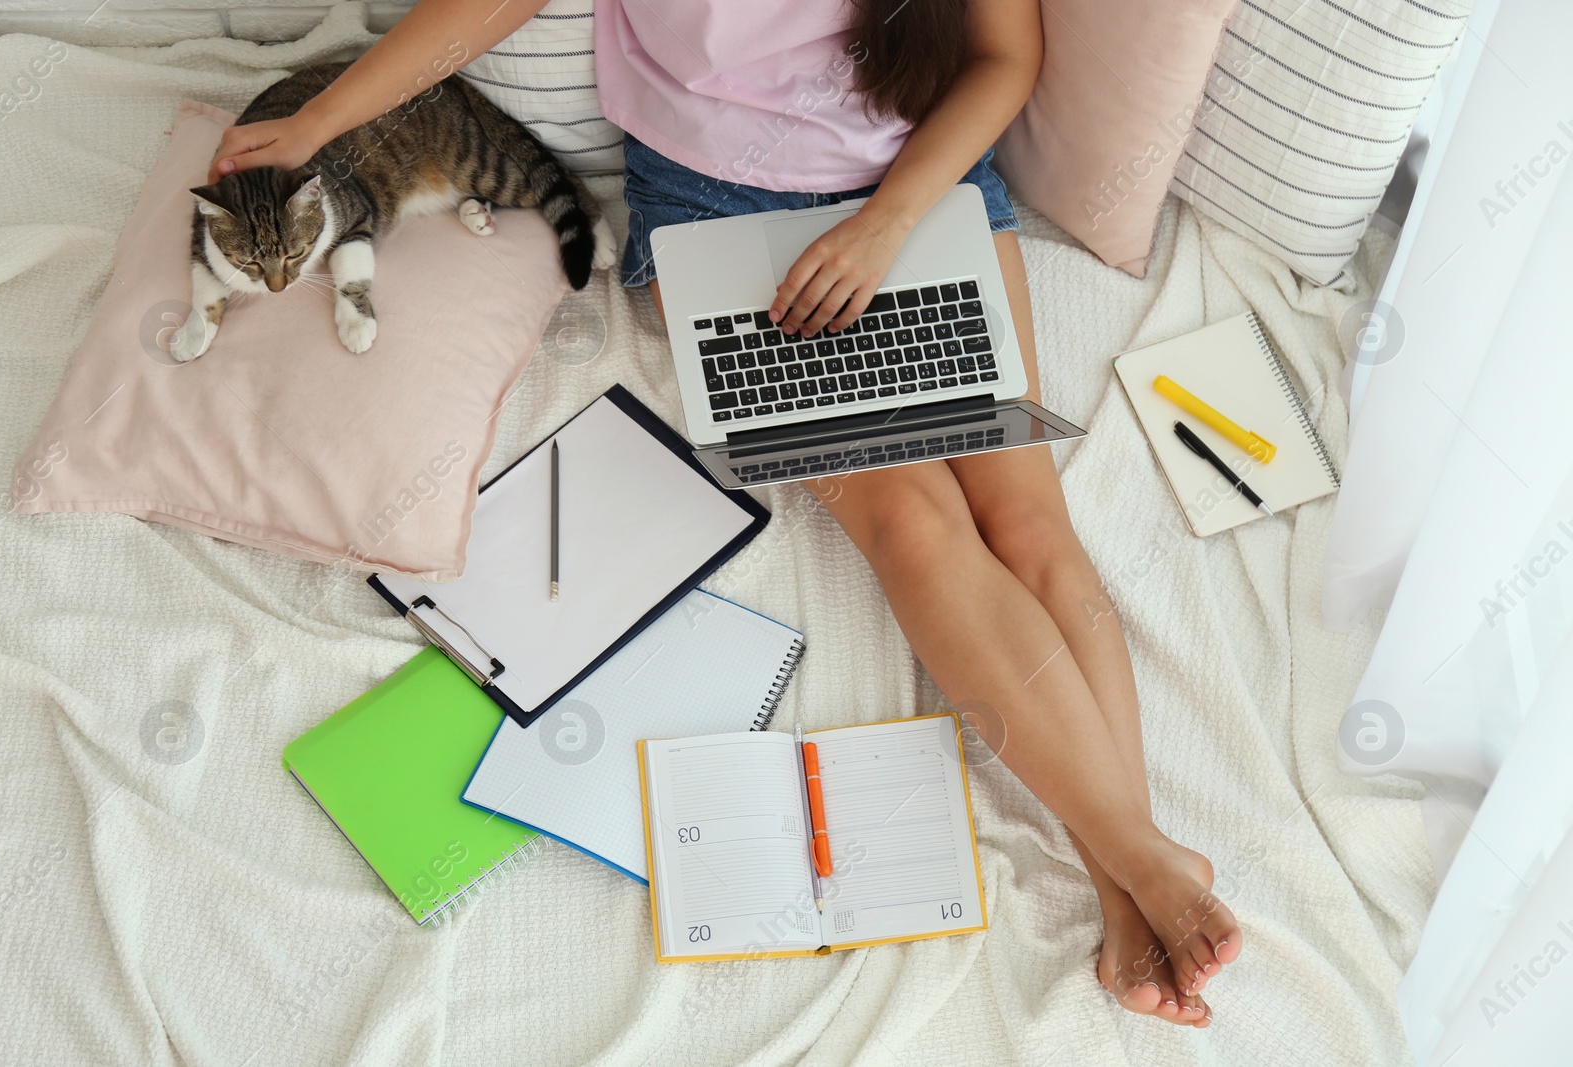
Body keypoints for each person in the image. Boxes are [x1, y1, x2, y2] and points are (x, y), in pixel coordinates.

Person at [209, 0, 1241, 1026]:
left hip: (919, 189)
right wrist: (318, 124)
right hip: (717, 217)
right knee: (916, 528)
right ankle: (1139, 865)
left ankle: (1129, 871)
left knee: (1028, 524)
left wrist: (885, 223)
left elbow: (1004, 56)